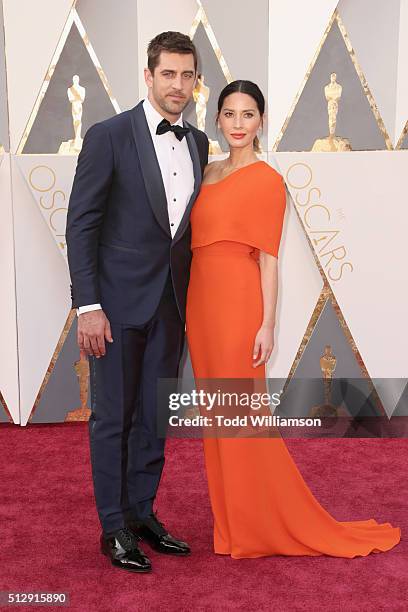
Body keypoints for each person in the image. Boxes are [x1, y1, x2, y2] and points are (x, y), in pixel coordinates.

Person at [185, 80, 401, 559]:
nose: (238, 124)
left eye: (247, 115)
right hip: (200, 305)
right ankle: (232, 523)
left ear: (261, 120)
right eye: (229, 114)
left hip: (239, 306)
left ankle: (255, 525)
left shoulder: (267, 180)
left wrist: (267, 325)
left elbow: (268, 260)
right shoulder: (206, 172)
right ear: (217, 119)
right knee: (217, 415)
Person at [66, 31, 208, 573]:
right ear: (147, 77)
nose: (178, 85)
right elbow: (82, 225)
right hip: (116, 307)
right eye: (168, 74)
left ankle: (143, 513)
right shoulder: (109, 135)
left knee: (153, 418)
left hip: (172, 305)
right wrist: (88, 306)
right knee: (112, 420)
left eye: (187, 75)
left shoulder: (198, 143)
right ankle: (113, 527)